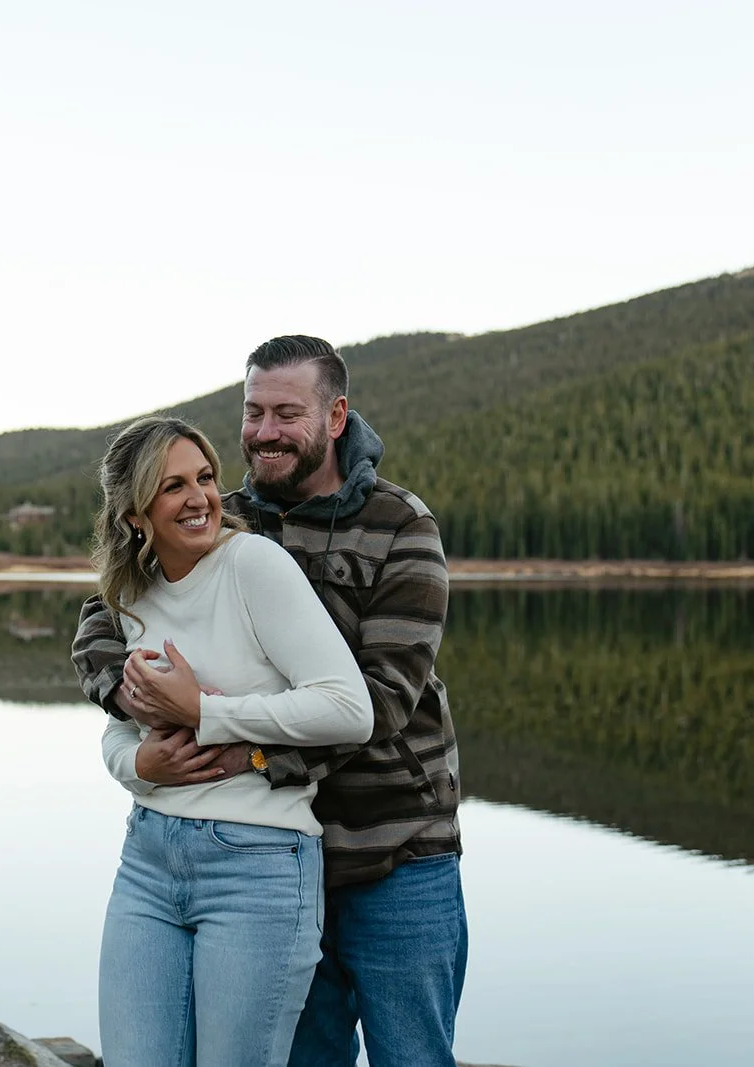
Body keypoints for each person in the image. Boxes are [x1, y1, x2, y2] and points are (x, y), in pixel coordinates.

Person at [72, 336, 467, 1067]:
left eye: (287, 412)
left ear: (337, 415)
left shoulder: (399, 526)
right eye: (253, 412)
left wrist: (229, 738)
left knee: (412, 1056)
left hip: (391, 849)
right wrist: (140, 713)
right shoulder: (217, 519)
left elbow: (378, 704)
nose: (264, 431)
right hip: (271, 854)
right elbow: (104, 625)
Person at [84, 414, 374, 1067]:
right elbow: (118, 731)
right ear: (135, 514)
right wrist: (138, 762)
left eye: (206, 477)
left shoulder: (253, 565)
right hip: (148, 860)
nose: (200, 498)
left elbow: (347, 707)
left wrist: (207, 712)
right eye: (173, 486)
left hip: (258, 864)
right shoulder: (131, 592)